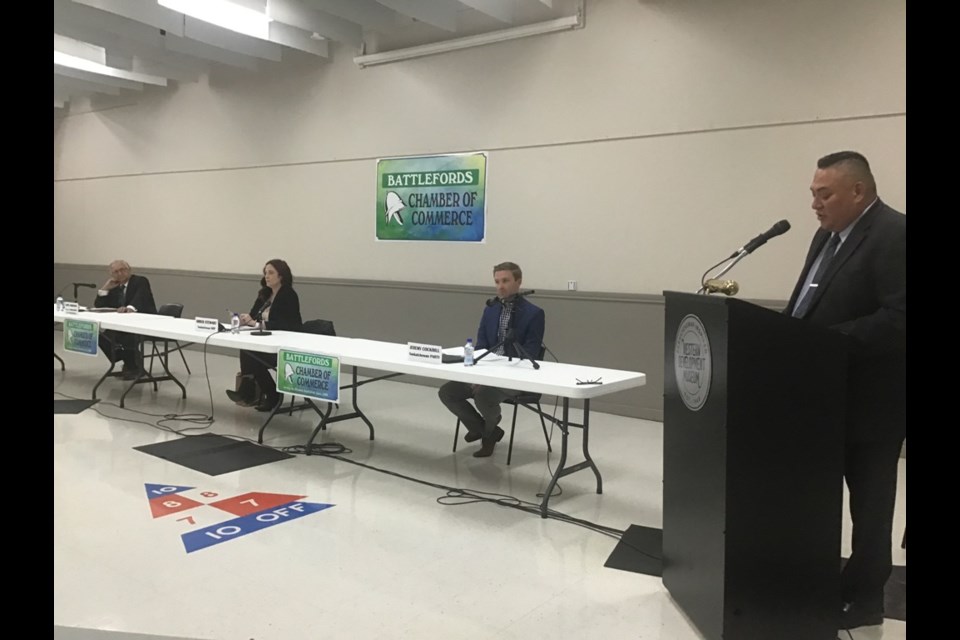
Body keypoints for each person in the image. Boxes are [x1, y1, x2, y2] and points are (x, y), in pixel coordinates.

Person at [784, 151, 906, 630]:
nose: (815, 204)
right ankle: (816, 577)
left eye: (824, 194)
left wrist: (826, 341)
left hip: (873, 403)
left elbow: (900, 318)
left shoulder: (896, 234)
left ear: (858, 191)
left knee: (870, 506)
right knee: (812, 496)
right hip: (823, 396)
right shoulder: (825, 236)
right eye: (813, 194)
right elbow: (806, 302)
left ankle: (865, 598)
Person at [438, 262, 546, 458]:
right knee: (447, 392)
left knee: (484, 395)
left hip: (515, 375)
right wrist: (479, 374)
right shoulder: (491, 309)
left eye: (505, 281)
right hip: (486, 370)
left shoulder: (534, 314)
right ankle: (486, 429)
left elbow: (530, 352)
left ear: (518, 281)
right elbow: (481, 346)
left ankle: (487, 436)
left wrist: (494, 377)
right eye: (497, 282)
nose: (500, 286)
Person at [225, 259, 302, 411]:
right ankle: (252, 392)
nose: (267, 276)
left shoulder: (288, 295)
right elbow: (254, 316)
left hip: (284, 343)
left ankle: (266, 394)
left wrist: (258, 324)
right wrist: (245, 319)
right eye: (265, 273)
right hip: (267, 340)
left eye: (271, 273)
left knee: (253, 356)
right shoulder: (264, 294)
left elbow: (287, 324)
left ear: (281, 276)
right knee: (247, 349)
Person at [94, 260, 157, 379]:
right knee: (102, 336)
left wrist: (129, 308)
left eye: (122, 270)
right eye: (115, 272)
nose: (120, 274)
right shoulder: (115, 286)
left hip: (145, 322)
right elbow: (99, 305)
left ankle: (134, 367)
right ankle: (125, 360)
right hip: (122, 323)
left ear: (129, 270)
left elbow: (140, 297)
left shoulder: (140, 281)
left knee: (126, 337)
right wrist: (105, 288)